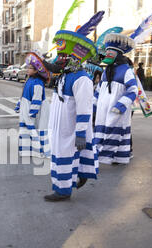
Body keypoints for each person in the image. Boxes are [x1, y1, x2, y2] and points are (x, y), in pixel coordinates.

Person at [42, 2, 103, 201]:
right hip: (59, 129)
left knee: (66, 159)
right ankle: (73, 178)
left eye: (62, 56)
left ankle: (63, 191)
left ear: (73, 58)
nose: (58, 60)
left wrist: (79, 134)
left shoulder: (82, 79)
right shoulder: (65, 75)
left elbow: (85, 109)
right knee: (60, 158)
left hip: (70, 130)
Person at [93, 14, 152, 165]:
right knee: (104, 132)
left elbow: (133, 90)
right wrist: (93, 105)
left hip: (117, 108)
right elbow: (99, 89)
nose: (107, 54)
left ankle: (108, 157)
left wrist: (120, 106)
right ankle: (114, 157)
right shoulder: (106, 71)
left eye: (110, 52)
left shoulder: (126, 70)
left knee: (115, 132)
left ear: (118, 55)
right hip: (103, 109)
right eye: (106, 52)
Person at [15, 52, 51, 158]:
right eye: (28, 67)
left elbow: (37, 98)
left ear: (36, 70)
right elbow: (23, 95)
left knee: (36, 130)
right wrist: (19, 105)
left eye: (30, 68)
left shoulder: (38, 83)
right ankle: (28, 150)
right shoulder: (29, 80)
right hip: (26, 108)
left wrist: (33, 112)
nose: (27, 69)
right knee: (27, 130)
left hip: (37, 110)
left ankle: (40, 151)